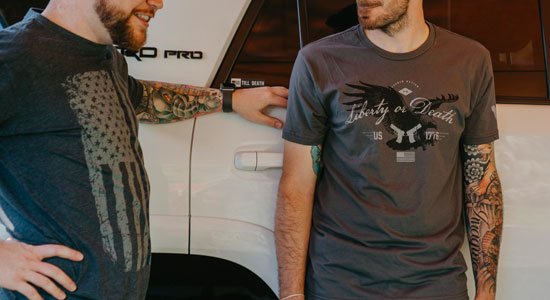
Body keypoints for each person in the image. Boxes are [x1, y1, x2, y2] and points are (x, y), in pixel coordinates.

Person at [0, 0, 288, 299]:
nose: (158, 3)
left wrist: (231, 100)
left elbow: (143, 97)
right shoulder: (16, 56)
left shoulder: (105, 55)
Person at [275, 0, 503, 299]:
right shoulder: (318, 61)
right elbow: (296, 186)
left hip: (437, 283)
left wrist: (486, 292)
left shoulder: (470, 60)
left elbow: (481, 183)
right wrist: (292, 295)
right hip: (341, 283)